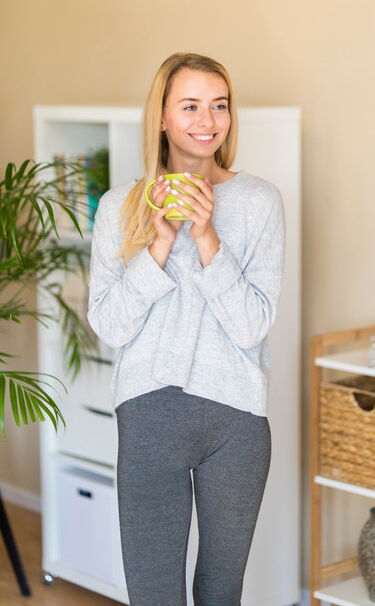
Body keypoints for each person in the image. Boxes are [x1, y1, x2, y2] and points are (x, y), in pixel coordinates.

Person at [87, 52, 285, 606]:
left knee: (221, 594)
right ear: (163, 117)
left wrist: (206, 238)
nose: (208, 119)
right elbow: (109, 324)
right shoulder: (117, 207)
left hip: (237, 424)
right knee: (153, 596)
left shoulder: (260, 203)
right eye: (191, 105)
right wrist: (160, 243)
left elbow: (252, 326)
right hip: (149, 417)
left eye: (219, 105)